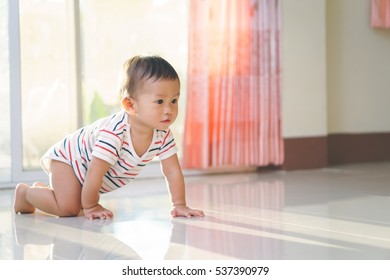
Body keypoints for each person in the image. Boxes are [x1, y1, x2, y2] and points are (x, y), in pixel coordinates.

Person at [14, 55, 204, 220]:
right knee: (69, 209)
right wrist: (90, 206)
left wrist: (179, 204)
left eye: (174, 100)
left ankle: (47, 191)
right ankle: (25, 193)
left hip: (86, 173)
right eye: (160, 101)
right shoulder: (115, 134)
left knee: (72, 201)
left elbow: (172, 171)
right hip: (69, 161)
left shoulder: (162, 134)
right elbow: (95, 171)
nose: (168, 109)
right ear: (130, 105)